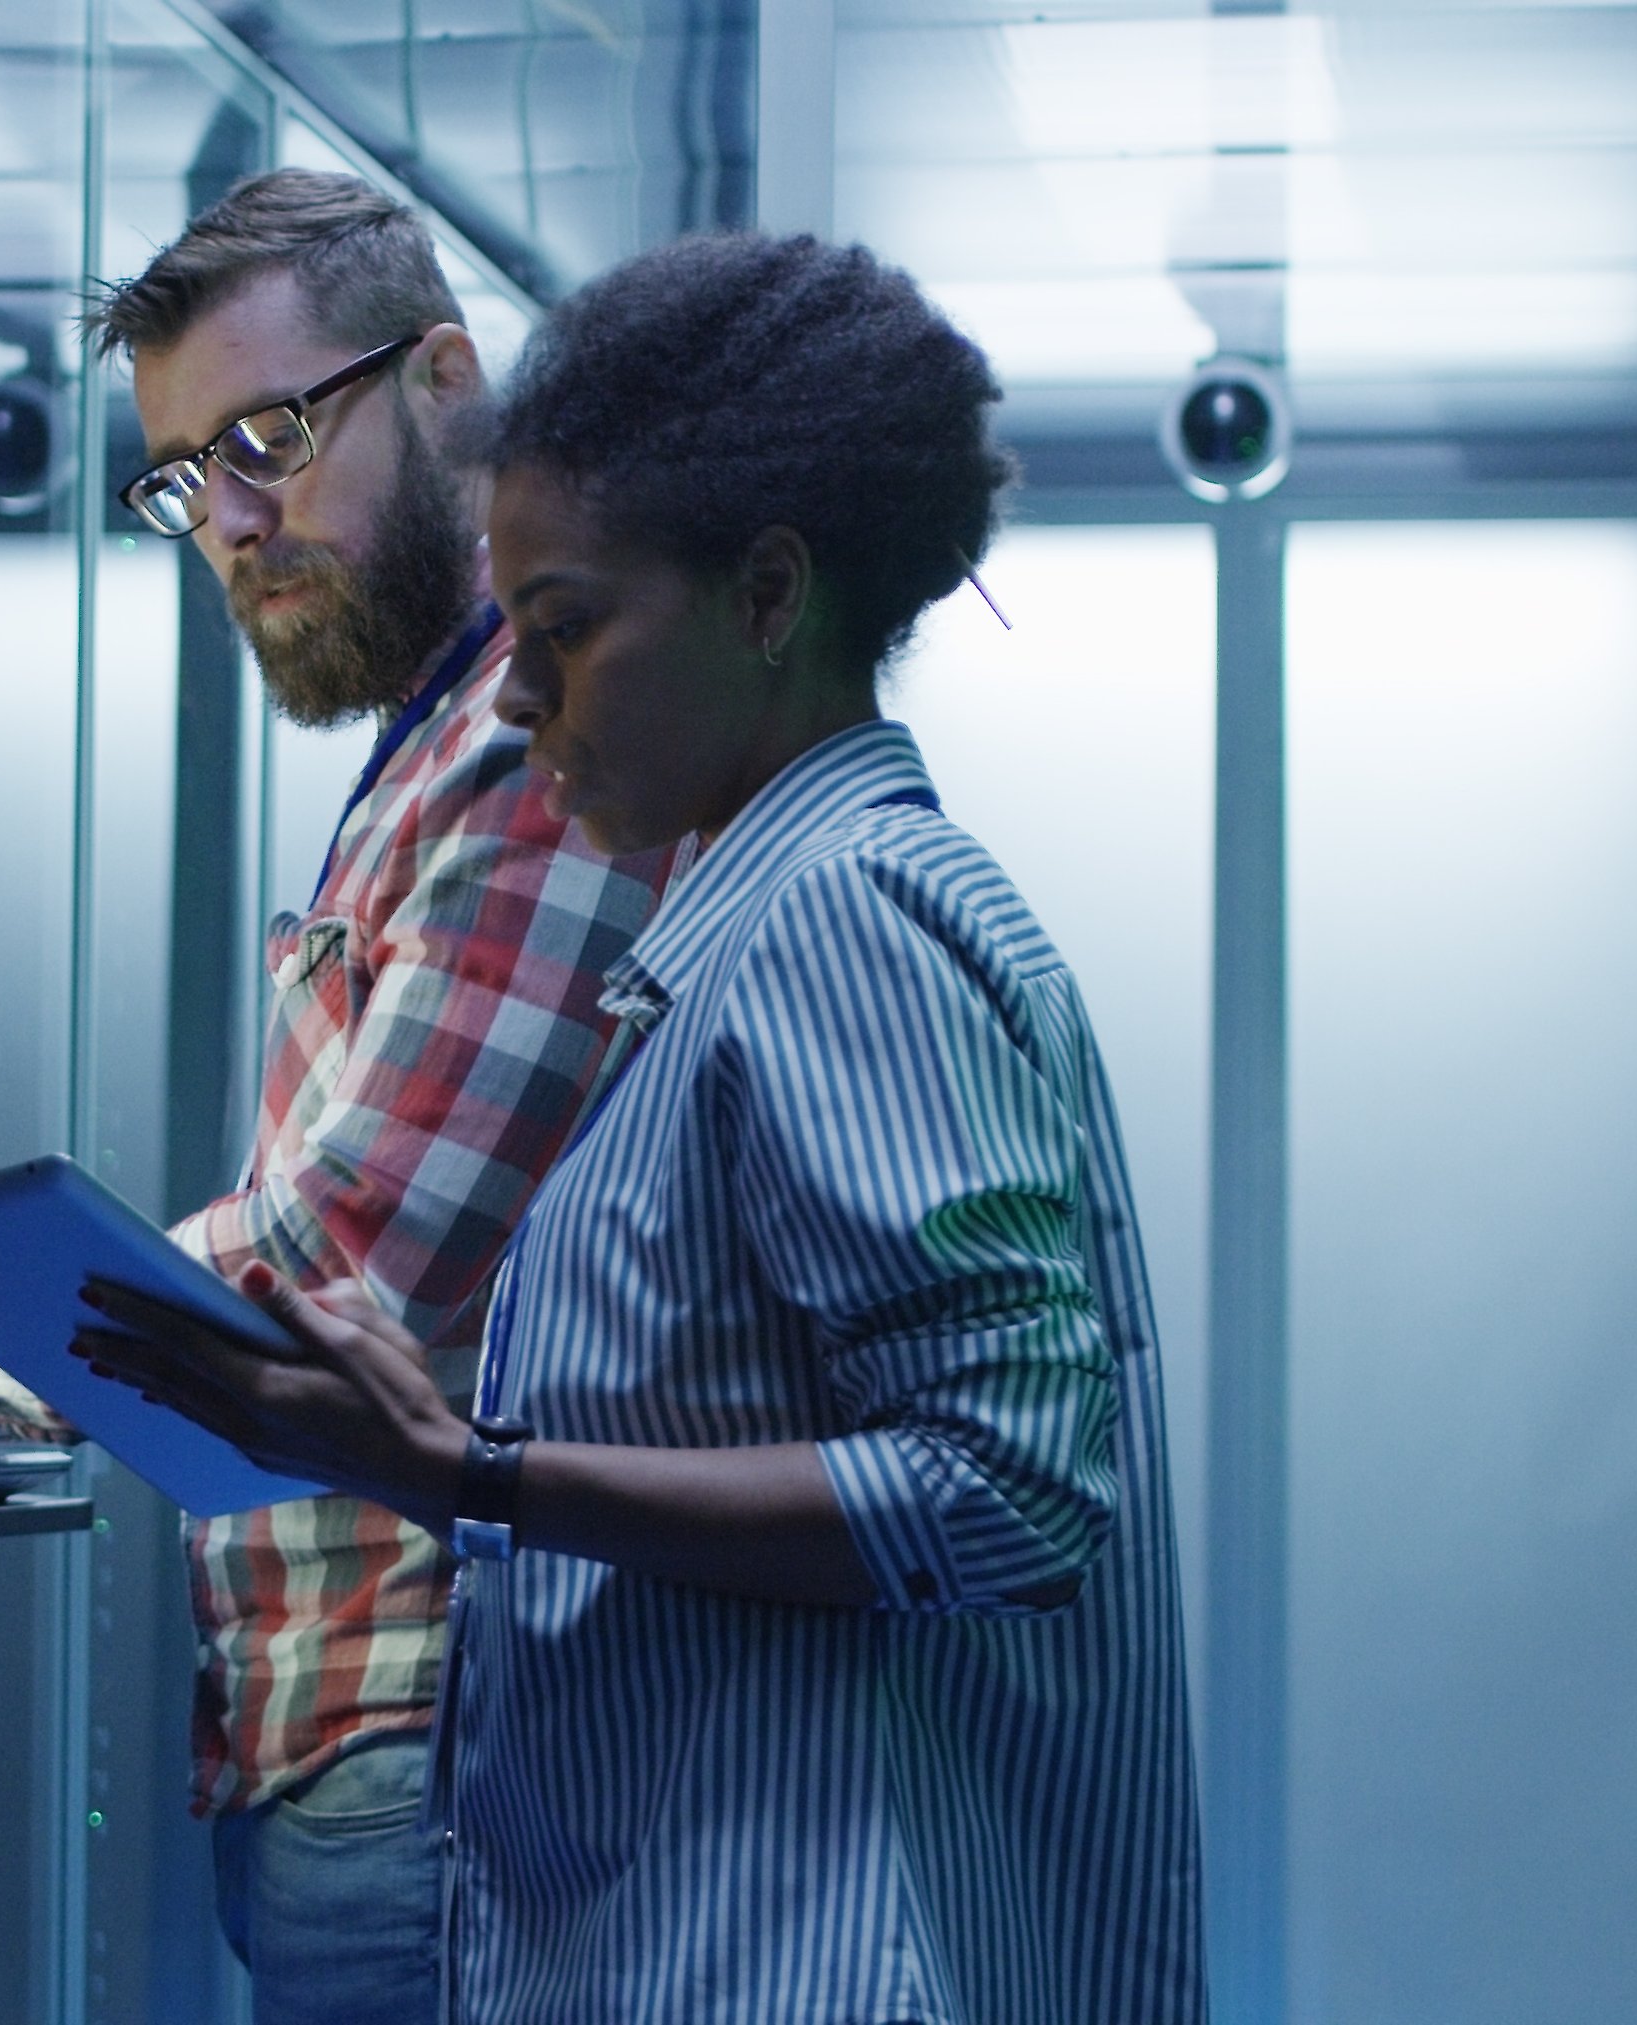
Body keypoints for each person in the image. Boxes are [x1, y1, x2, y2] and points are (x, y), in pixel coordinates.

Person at [82, 233, 1207, 2021]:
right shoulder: (752, 924)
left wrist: (473, 1475)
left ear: (768, 595)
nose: (515, 698)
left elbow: (1003, 1491)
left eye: (565, 630)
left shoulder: (840, 911)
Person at [0, 170, 669, 2018]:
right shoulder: (443, 742)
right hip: (369, 1749)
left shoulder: (533, 741)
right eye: (187, 475)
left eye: (272, 435)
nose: (232, 522)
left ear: (447, 380)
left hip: (442, 1743)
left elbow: (328, 1268)